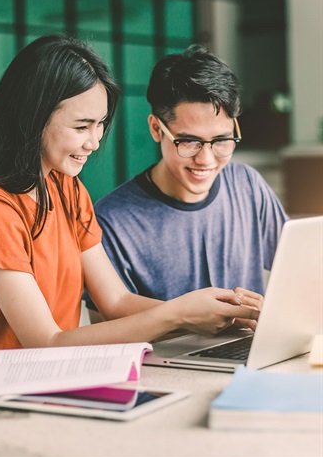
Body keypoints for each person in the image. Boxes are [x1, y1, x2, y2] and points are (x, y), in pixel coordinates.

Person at [0, 34, 260, 376]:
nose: (95, 140)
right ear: (33, 116)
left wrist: (206, 315)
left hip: (51, 384)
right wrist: (177, 315)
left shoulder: (66, 189)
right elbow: (45, 342)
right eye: (81, 126)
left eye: (101, 124)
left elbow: (116, 302)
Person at [91, 45, 288, 315]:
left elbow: (299, 272)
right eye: (190, 142)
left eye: (221, 141)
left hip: (250, 350)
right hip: (164, 356)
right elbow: (105, 322)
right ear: (155, 129)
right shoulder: (111, 220)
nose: (206, 159)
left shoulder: (247, 186)